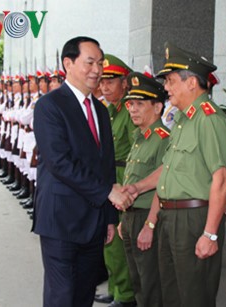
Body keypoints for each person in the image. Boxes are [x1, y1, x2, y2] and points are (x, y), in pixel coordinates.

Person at [119, 42, 226, 307]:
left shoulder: (210, 119)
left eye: (170, 81)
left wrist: (210, 234)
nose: (166, 88)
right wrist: (138, 188)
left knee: (193, 295)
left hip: (194, 218)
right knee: (171, 294)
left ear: (191, 82)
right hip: (170, 217)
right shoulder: (183, 119)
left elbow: (222, 179)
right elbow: (167, 170)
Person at [32, 36, 133, 307]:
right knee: (62, 296)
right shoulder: (50, 106)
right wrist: (107, 192)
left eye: (99, 63)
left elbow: (106, 165)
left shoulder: (100, 110)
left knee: (83, 294)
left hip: (94, 221)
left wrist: (109, 217)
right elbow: (59, 162)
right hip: (60, 220)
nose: (97, 70)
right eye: (89, 62)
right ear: (68, 63)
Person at [118, 71, 169, 307]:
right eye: (130, 104)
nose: (133, 109)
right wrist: (123, 220)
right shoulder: (140, 136)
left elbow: (163, 184)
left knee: (151, 284)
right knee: (137, 281)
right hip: (131, 217)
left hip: (147, 217)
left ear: (158, 107)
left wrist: (150, 224)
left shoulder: (163, 138)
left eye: (140, 104)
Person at [94, 53, 136, 307]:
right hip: (109, 178)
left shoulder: (130, 112)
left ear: (125, 83)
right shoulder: (108, 110)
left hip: (123, 178)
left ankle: (125, 294)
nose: (104, 86)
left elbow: (136, 153)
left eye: (111, 81)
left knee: (119, 241)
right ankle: (114, 285)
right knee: (108, 239)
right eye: (103, 81)